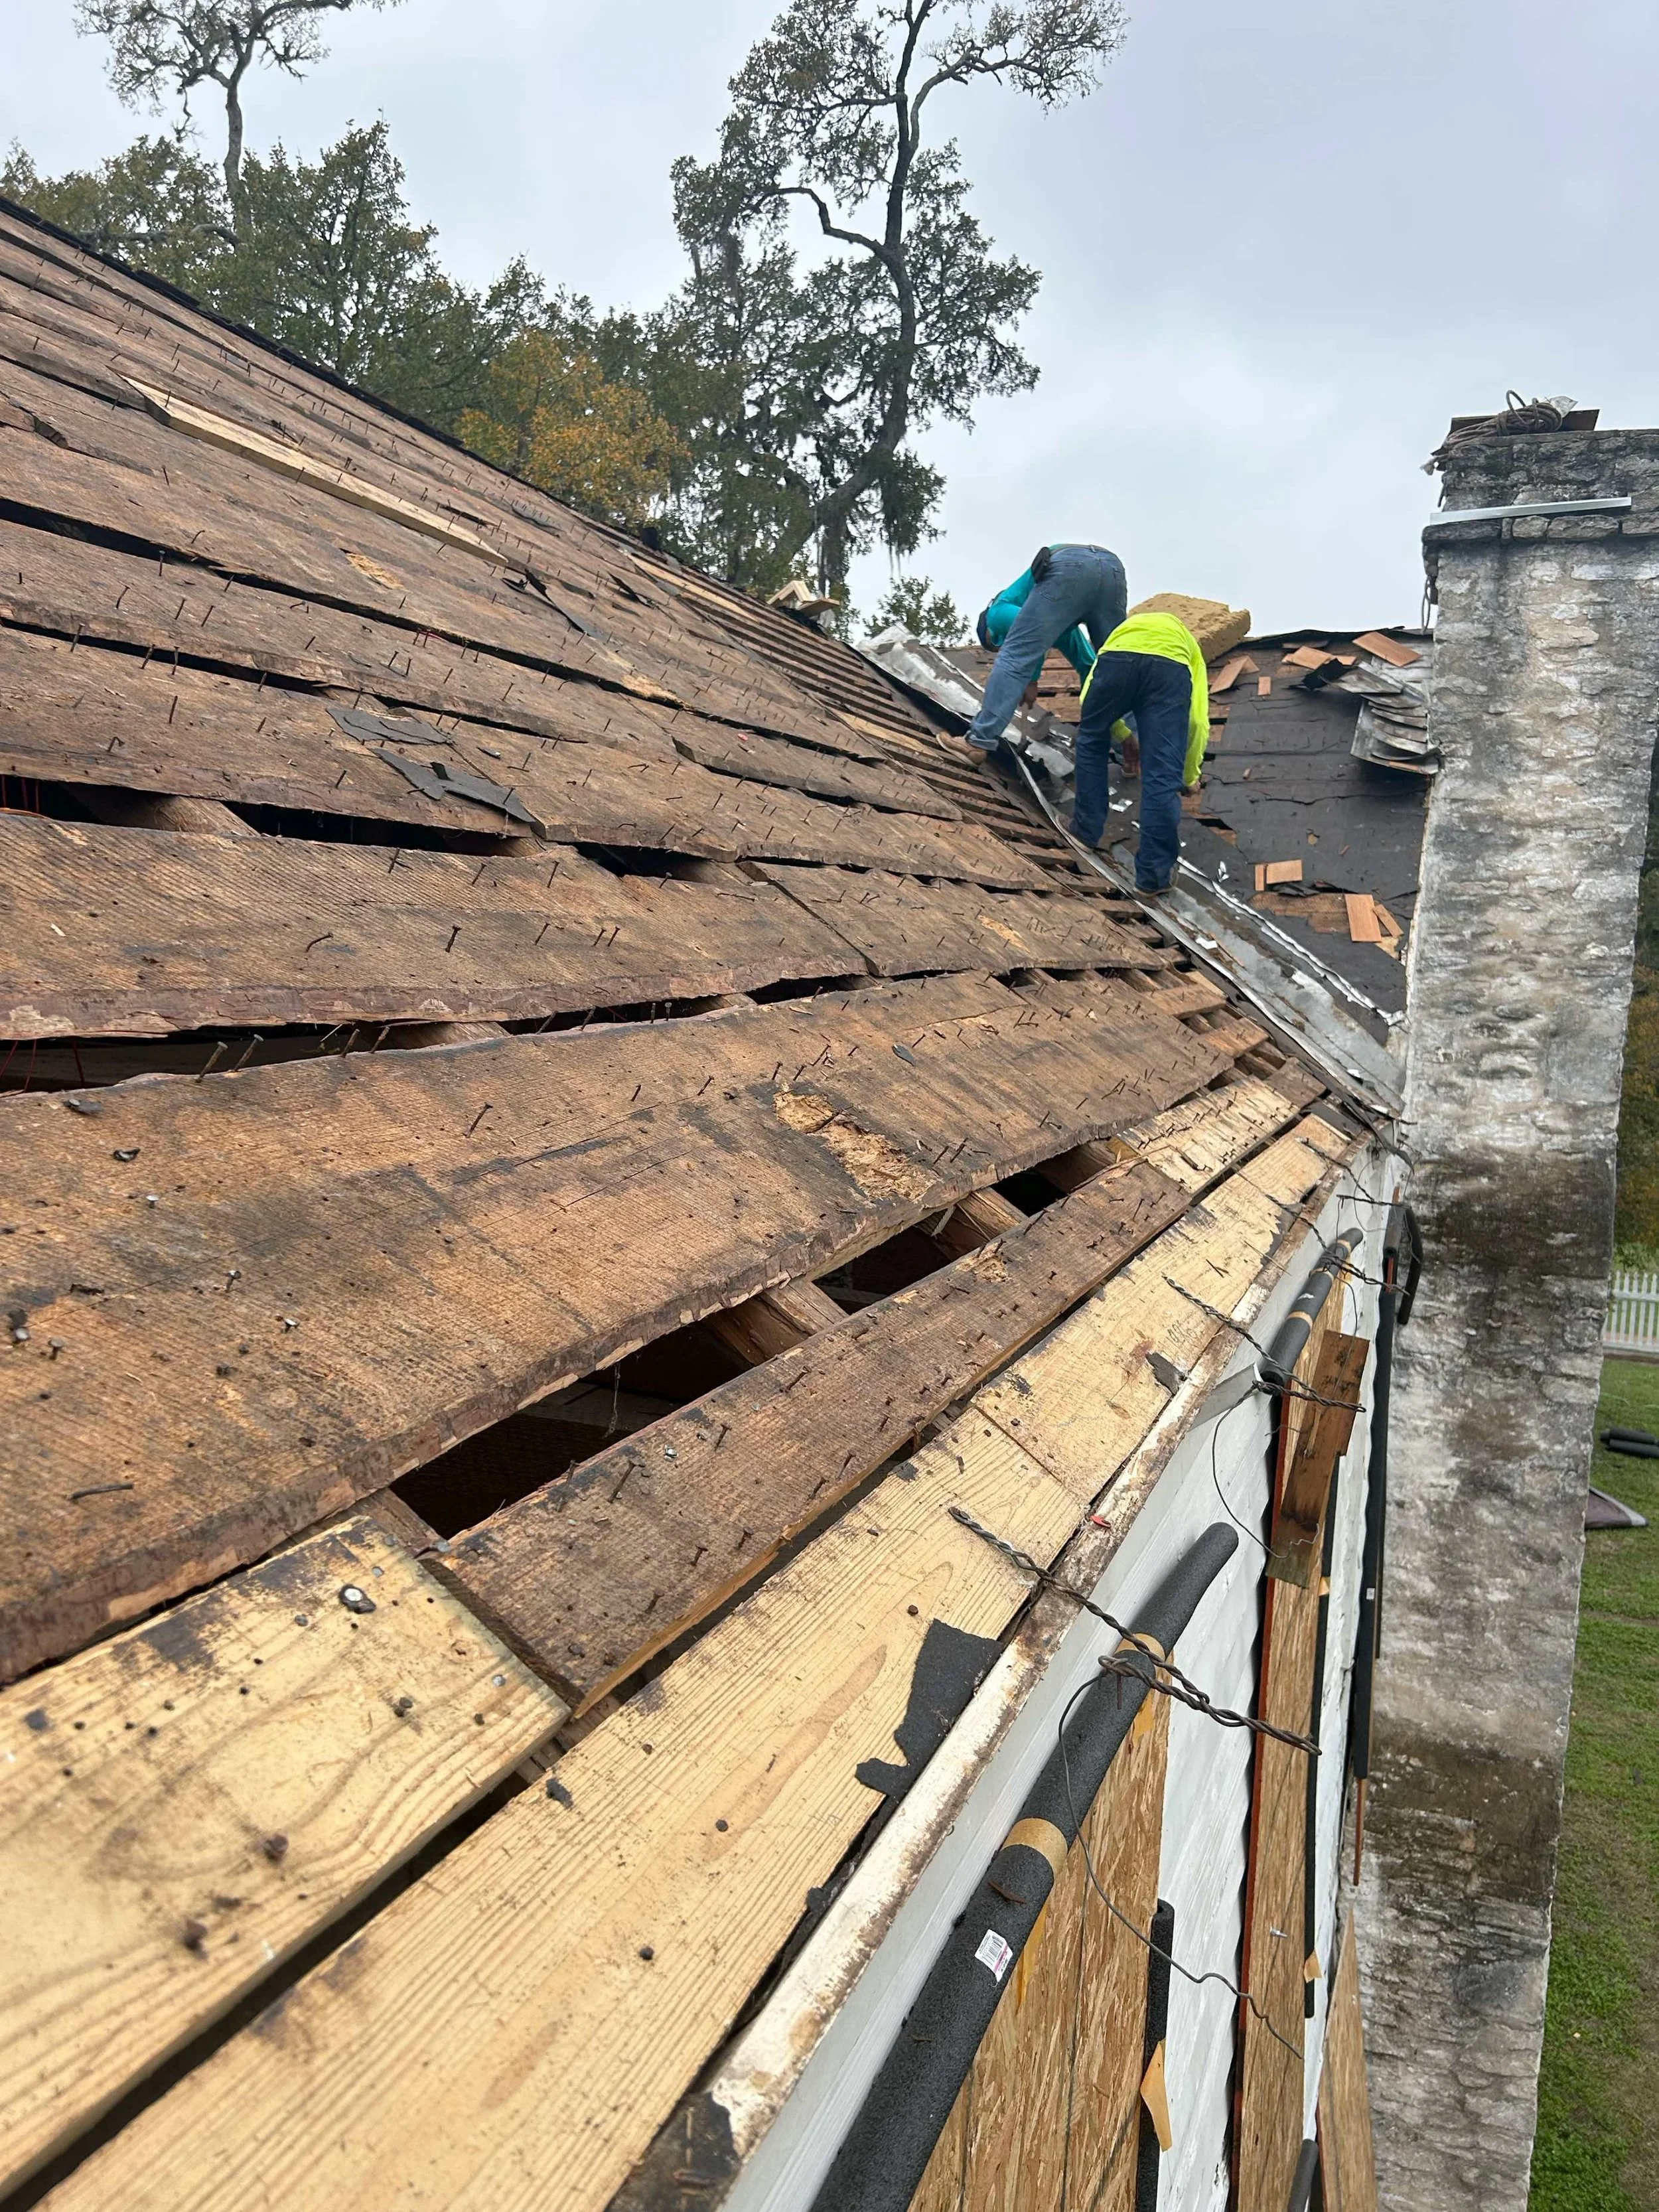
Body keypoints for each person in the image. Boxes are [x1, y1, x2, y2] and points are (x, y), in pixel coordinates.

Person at [940, 544, 1127, 761]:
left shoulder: (996, 613)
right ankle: (1131, 754)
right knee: (1109, 667)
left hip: (1071, 568)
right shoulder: (1050, 615)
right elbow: (1062, 644)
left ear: (992, 636)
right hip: (1112, 569)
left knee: (1013, 658)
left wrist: (1032, 679)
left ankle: (977, 741)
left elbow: (1028, 642)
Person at [1072, 609, 1210, 895]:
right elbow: (1197, 721)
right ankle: (1153, 878)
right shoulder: (1189, 647)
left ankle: (1084, 832)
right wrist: (1187, 776)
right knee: (1162, 776)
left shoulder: (1119, 636)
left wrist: (1122, 735)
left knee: (1090, 739)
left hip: (1116, 660)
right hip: (1169, 669)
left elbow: (1088, 702)